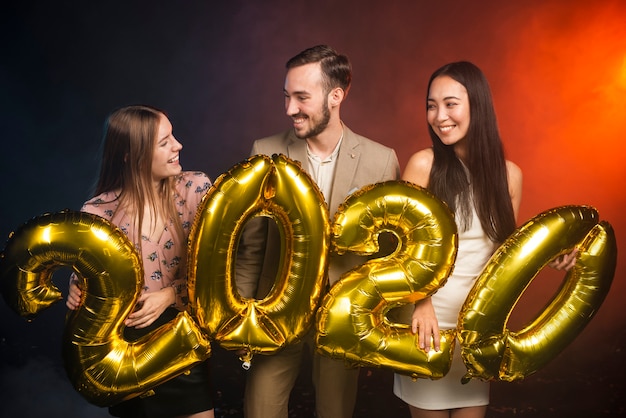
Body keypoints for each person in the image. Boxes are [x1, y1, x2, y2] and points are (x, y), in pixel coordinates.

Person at [393, 61, 577, 418]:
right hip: (427, 325)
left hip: (478, 331)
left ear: (477, 106)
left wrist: (550, 253)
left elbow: (505, 252)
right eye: (431, 105)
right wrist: (421, 303)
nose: (439, 115)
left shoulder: (510, 175)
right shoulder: (423, 164)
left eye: (450, 103)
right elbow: (405, 248)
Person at [235, 45, 400, 418]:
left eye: (301, 97)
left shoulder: (382, 159)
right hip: (273, 312)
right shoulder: (264, 152)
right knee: (259, 410)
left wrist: (376, 321)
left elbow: (387, 255)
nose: (289, 109)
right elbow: (252, 245)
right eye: (286, 96)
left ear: (336, 95)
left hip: (342, 317)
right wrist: (241, 317)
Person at [65, 105, 215, 418]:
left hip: (182, 340)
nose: (178, 146)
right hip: (125, 351)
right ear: (131, 155)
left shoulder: (196, 190)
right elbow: (87, 281)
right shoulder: (97, 213)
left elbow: (217, 273)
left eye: (172, 136)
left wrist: (170, 295)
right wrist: (76, 290)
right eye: (164, 142)